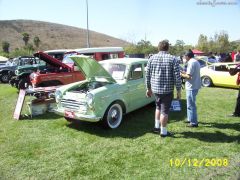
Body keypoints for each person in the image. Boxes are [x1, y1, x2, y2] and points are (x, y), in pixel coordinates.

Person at [145, 40, 182, 137]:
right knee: (164, 111)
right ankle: (163, 131)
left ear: (158, 48)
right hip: (167, 90)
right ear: (168, 48)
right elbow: (177, 76)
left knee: (158, 107)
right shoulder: (173, 59)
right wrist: (179, 90)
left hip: (155, 89)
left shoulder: (151, 59)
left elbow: (147, 75)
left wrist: (148, 88)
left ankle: (157, 126)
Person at [181, 50, 201, 127]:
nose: (184, 58)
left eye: (184, 56)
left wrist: (180, 74)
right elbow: (190, 74)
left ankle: (193, 123)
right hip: (194, 85)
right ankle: (190, 119)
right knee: (189, 104)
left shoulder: (191, 62)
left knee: (191, 105)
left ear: (187, 56)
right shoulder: (195, 61)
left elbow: (189, 77)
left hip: (192, 86)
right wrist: (184, 73)